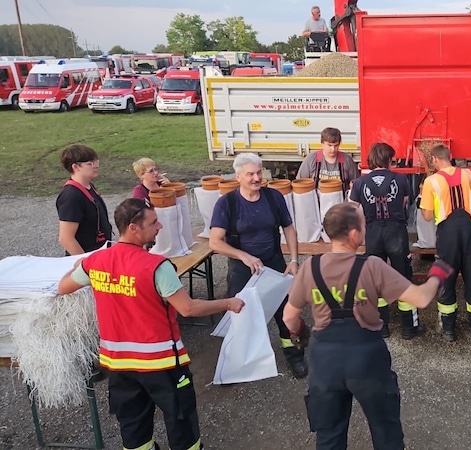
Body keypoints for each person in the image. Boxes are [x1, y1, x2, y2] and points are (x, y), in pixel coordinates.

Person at [57, 198, 246, 450]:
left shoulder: (96, 262)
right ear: (134, 228)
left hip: (119, 365)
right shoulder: (156, 266)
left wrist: (81, 266)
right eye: (153, 223)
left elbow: (63, 287)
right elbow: (188, 308)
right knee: (181, 422)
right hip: (162, 363)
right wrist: (228, 303)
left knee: (134, 428)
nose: (159, 227)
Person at [283, 203, 454, 450]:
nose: (366, 227)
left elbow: (289, 317)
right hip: (366, 359)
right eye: (364, 223)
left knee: (329, 435)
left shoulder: (310, 267)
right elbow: (422, 298)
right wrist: (437, 274)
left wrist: (300, 333)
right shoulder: (372, 266)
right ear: (354, 234)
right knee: (386, 431)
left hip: (325, 362)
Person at [208, 153, 307, 378]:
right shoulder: (227, 203)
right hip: (242, 269)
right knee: (239, 316)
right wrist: (242, 256)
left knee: (286, 313)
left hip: (273, 263)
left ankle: (294, 355)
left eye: (259, 173)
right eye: (251, 174)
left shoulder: (273, 197)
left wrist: (293, 260)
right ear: (238, 176)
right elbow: (215, 242)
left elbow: (289, 229)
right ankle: (236, 363)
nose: (256, 178)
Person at [349, 142, 424, 340]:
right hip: (396, 233)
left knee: (375, 280)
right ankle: (409, 327)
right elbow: (405, 201)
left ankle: (381, 327)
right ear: (388, 160)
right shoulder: (400, 179)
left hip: (372, 234)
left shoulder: (359, 183)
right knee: (403, 278)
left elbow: (353, 209)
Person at [420, 144, 471, 342]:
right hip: (469, 231)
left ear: (434, 159)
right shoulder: (467, 174)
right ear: (450, 157)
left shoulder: (430, 182)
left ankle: (449, 330)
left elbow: (426, 216)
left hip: (448, 233)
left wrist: (425, 201)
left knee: (447, 280)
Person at [56, 144, 113, 255]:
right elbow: (66, 238)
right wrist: (85, 264)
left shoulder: (88, 186)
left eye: (96, 162)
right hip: (87, 261)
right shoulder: (71, 196)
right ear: (75, 167)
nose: (96, 166)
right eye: (90, 163)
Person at [297, 127, 359, 194]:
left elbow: (357, 183)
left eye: (336, 145)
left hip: (341, 202)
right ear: (322, 143)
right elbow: (299, 184)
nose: (333, 149)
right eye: (329, 145)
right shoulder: (311, 159)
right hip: (317, 202)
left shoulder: (347, 160)